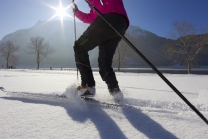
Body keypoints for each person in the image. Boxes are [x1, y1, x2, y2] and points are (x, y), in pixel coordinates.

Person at [73, 0, 129, 101]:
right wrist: (76, 11)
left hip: (108, 18)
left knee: (79, 46)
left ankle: (88, 86)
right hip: (120, 25)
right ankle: (116, 94)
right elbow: (89, 18)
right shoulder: (96, 7)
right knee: (104, 63)